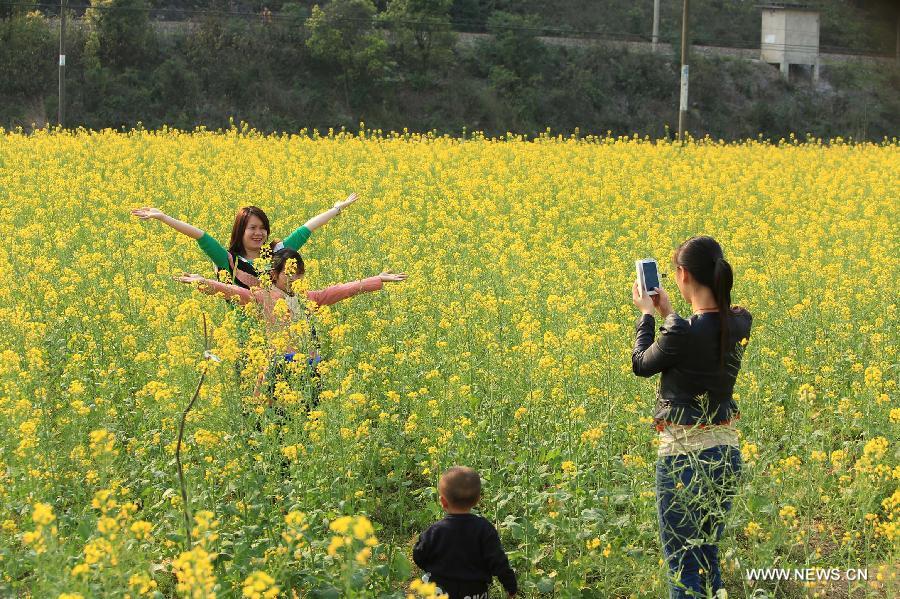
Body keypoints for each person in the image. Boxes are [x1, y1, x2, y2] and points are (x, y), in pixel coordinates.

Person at [631, 235, 752, 599]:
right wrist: (671, 315)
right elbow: (700, 330)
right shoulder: (742, 322)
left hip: (684, 460)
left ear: (682, 275)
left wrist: (648, 314)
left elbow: (641, 363)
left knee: (683, 565)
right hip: (726, 455)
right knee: (707, 554)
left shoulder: (679, 332)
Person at [174, 247, 407, 405]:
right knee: (277, 417)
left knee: (307, 417)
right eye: (289, 272)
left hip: (310, 366)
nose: (294, 277)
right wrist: (202, 282)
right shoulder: (262, 296)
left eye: (298, 272)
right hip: (280, 367)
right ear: (274, 274)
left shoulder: (307, 297)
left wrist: (376, 279)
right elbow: (231, 291)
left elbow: (340, 290)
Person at [132, 193, 360, 289]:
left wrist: (337, 208)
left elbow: (307, 228)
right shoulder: (228, 261)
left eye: (263, 228)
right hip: (244, 338)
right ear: (240, 231)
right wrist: (162, 217)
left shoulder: (277, 254)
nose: (259, 233)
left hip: (280, 333)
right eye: (252, 228)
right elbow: (200, 235)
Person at [413, 466, 517, 599]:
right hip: (475, 593)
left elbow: (419, 555)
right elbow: (499, 562)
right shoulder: (484, 529)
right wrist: (511, 586)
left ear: (443, 502)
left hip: (440, 591)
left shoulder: (435, 531)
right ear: (478, 499)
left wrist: (432, 568)